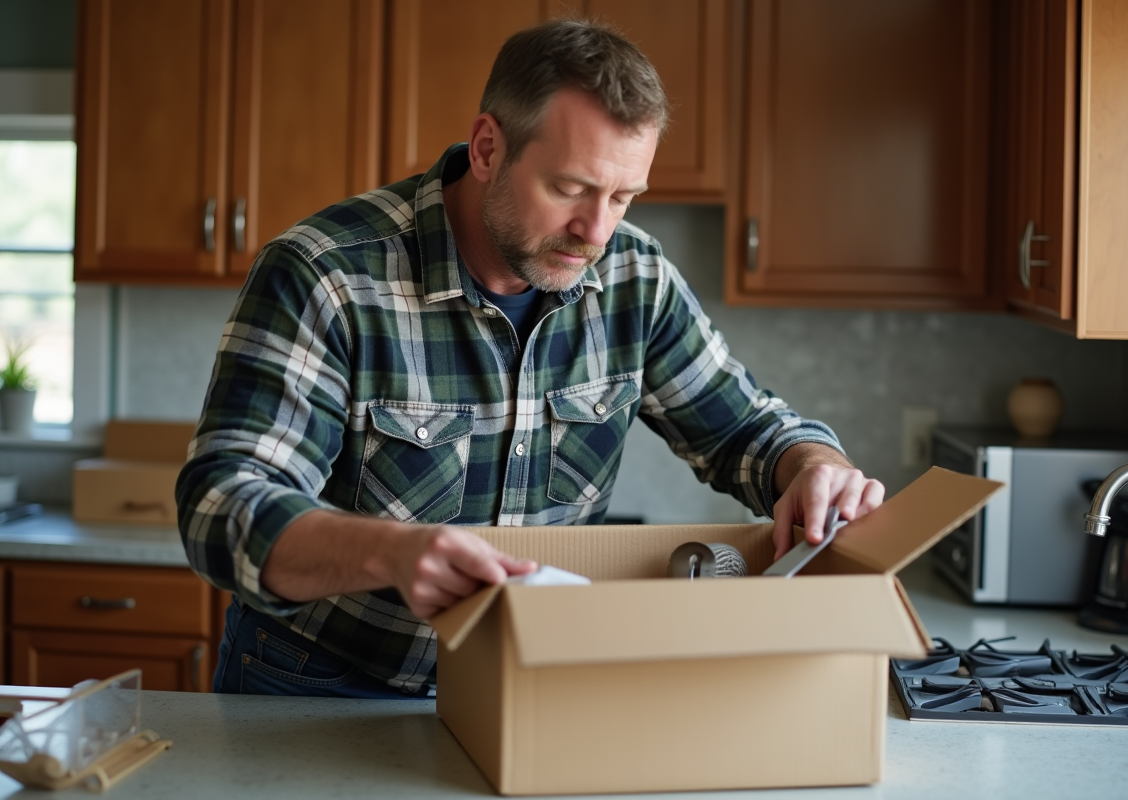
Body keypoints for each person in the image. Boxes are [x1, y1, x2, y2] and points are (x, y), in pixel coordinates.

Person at [176, 19, 885, 698]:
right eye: (571, 189)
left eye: (623, 197)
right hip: (317, 681)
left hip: (531, 679)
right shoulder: (326, 274)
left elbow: (745, 433)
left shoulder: (636, 281)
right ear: (487, 148)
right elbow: (223, 505)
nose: (595, 230)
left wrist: (815, 467)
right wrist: (388, 553)